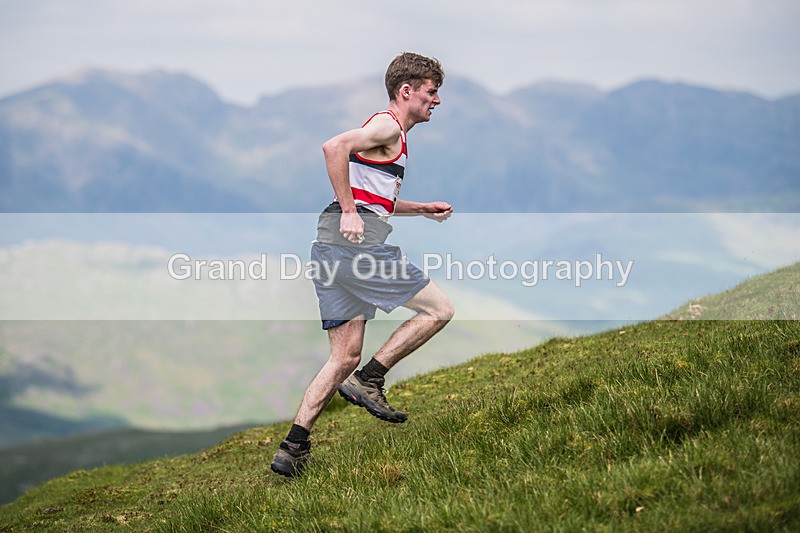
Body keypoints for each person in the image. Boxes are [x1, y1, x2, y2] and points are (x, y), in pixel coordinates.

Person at [271, 52, 455, 477]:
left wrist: (420, 208)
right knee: (439, 310)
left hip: (329, 246)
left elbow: (376, 199)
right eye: (432, 92)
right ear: (406, 92)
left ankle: (293, 447)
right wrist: (352, 211)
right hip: (358, 244)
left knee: (342, 356)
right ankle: (371, 379)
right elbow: (333, 146)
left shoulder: (390, 135)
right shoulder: (388, 125)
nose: (438, 101)